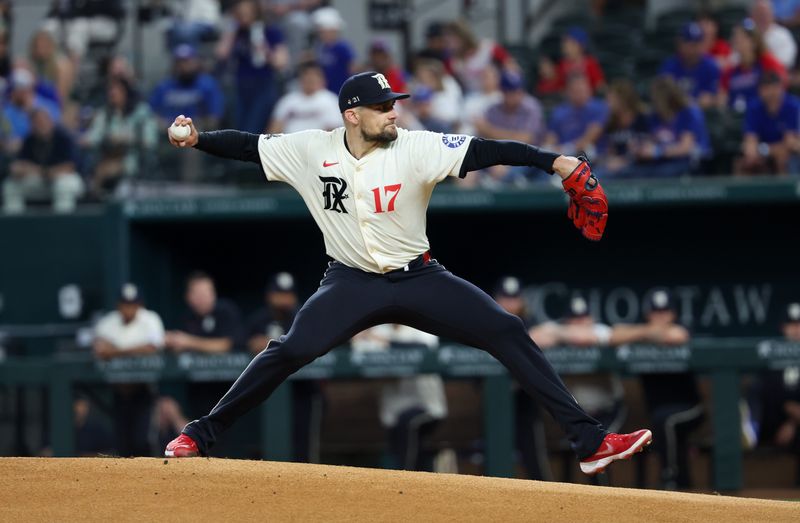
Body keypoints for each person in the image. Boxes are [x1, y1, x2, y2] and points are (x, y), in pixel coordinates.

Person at [162, 70, 651, 478]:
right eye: (382, 106)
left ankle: (589, 442)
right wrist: (198, 138)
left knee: (506, 329)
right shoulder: (312, 148)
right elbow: (249, 146)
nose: (393, 111)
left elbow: (486, 151)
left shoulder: (415, 146)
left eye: (393, 102)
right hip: (350, 281)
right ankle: (198, 434)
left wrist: (555, 162)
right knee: (289, 350)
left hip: (419, 277)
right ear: (352, 116)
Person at [610, 289, 702, 490]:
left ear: (673, 313)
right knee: (662, 420)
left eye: (665, 312)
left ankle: (670, 480)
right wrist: (645, 332)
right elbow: (613, 335)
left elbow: (678, 336)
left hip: (690, 407)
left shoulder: (682, 327)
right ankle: (681, 484)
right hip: (657, 411)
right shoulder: (642, 333)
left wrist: (646, 333)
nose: (661, 317)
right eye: (656, 312)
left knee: (665, 420)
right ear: (648, 314)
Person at [245, 272, 325, 463]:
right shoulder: (259, 319)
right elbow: (242, 342)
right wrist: (253, 343)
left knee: (303, 446)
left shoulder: (304, 314)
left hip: (303, 389)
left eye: (288, 294)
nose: (284, 299)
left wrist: (271, 343)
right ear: (270, 295)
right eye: (279, 294)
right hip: (268, 391)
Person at [351, 324, 447, 472]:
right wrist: (362, 337)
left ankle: (406, 479)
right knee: (398, 435)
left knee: (409, 423)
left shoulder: (421, 325)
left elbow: (425, 348)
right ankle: (405, 482)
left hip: (426, 405)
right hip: (393, 408)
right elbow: (359, 350)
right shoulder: (379, 328)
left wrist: (387, 342)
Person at [93, 283, 166, 456]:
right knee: (121, 443)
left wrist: (115, 351)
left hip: (144, 390)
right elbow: (99, 348)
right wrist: (132, 350)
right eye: (125, 304)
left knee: (143, 441)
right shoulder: (108, 322)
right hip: (118, 391)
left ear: (139, 305)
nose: (128, 309)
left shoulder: (151, 319)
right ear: (118, 305)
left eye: (133, 305)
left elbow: (152, 347)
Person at [492, 276, 552, 481]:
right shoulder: (485, 323)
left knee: (534, 459)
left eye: (514, 298)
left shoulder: (528, 324)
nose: (510, 304)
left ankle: (546, 500)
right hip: (494, 407)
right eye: (505, 298)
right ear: (496, 299)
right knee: (494, 460)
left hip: (525, 405)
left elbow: (547, 337)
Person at [745, 302, 800, 480]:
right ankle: (750, 428)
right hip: (773, 422)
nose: (796, 329)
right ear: (783, 327)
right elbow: (763, 393)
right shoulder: (771, 355)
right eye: (792, 324)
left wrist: (793, 422)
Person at [215, 0, 288, 133]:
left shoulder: (270, 31)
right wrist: (232, 30)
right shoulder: (237, 32)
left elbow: (281, 62)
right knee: (239, 128)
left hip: (263, 85)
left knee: (253, 128)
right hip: (241, 86)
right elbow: (221, 54)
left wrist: (264, 48)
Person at [3, 107, 83, 213]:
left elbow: (71, 166)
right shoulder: (30, 140)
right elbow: (20, 164)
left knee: (63, 186)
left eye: (42, 121)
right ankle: (15, 227)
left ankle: (63, 226)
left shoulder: (63, 137)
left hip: (65, 179)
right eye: (36, 122)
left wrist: (44, 171)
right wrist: (19, 169)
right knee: (11, 186)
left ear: (50, 122)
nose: (40, 125)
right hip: (40, 179)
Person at [736, 70, 800, 176]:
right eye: (766, 89)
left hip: (789, 154)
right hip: (764, 151)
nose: (771, 93)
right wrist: (752, 154)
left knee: (783, 157)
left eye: (774, 88)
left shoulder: (793, 106)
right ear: (760, 91)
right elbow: (750, 140)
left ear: (781, 88)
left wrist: (764, 149)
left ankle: (785, 192)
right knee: (743, 163)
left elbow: (790, 144)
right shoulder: (754, 107)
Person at [164, 271, 243, 354]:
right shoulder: (186, 317)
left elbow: (227, 344)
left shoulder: (226, 311)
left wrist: (188, 342)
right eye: (198, 294)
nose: (203, 298)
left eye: (206, 293)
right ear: (188, 297)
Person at [720, 18, 786, 114]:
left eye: (742, 37)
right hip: (735, 120)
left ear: (754, 42)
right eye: (736, 37)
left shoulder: (768, 63)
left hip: (763, 117)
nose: (737, 41)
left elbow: (780, 89)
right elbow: (722, 97)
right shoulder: (730, 71)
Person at [659, 22, 721, 110]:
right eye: (689, 44)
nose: (693, 48)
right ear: (680, 44)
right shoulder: (669, 66)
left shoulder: (710, 66)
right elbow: (662, 98)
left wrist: (711, 99)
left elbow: (715, 98)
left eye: (696, 44)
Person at [267, 61, 341, 134]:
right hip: (289, 143)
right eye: (306, 75)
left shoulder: (331, 100)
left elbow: (334, 131)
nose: (310, 78)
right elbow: (275, 128)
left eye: (314, 75)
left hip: (318, 143)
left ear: (322, 79)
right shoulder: (287, 100)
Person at [555, 27, 605, 94]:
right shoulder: (562, 64)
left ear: (581, 46)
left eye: (571, 44)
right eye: (565, 43)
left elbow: (600, 86)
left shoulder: (590, 63)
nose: (567, 46)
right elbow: (560, 88)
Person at [751, 0, 798, 70]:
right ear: (752, 16)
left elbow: (786, 62)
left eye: (765, 14)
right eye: (759, 14)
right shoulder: (746, 34)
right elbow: (735, 61)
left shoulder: (783, 35)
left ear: (772, 15)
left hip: (773, 76)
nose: (762, 17)